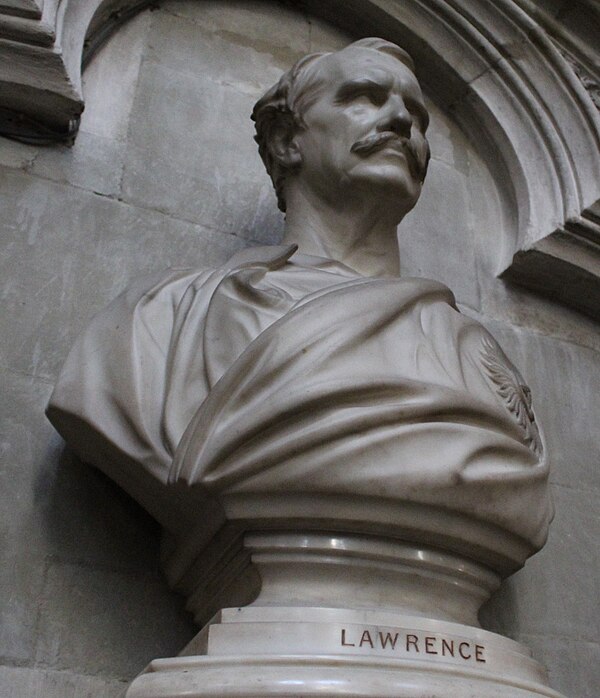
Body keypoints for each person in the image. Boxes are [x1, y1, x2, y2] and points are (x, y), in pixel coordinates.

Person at [47, 38, 552, 548]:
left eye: (417, 116)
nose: (402, 120)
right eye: (365, 97)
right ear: (288, 140)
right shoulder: (161, 322)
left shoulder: (474, 350)